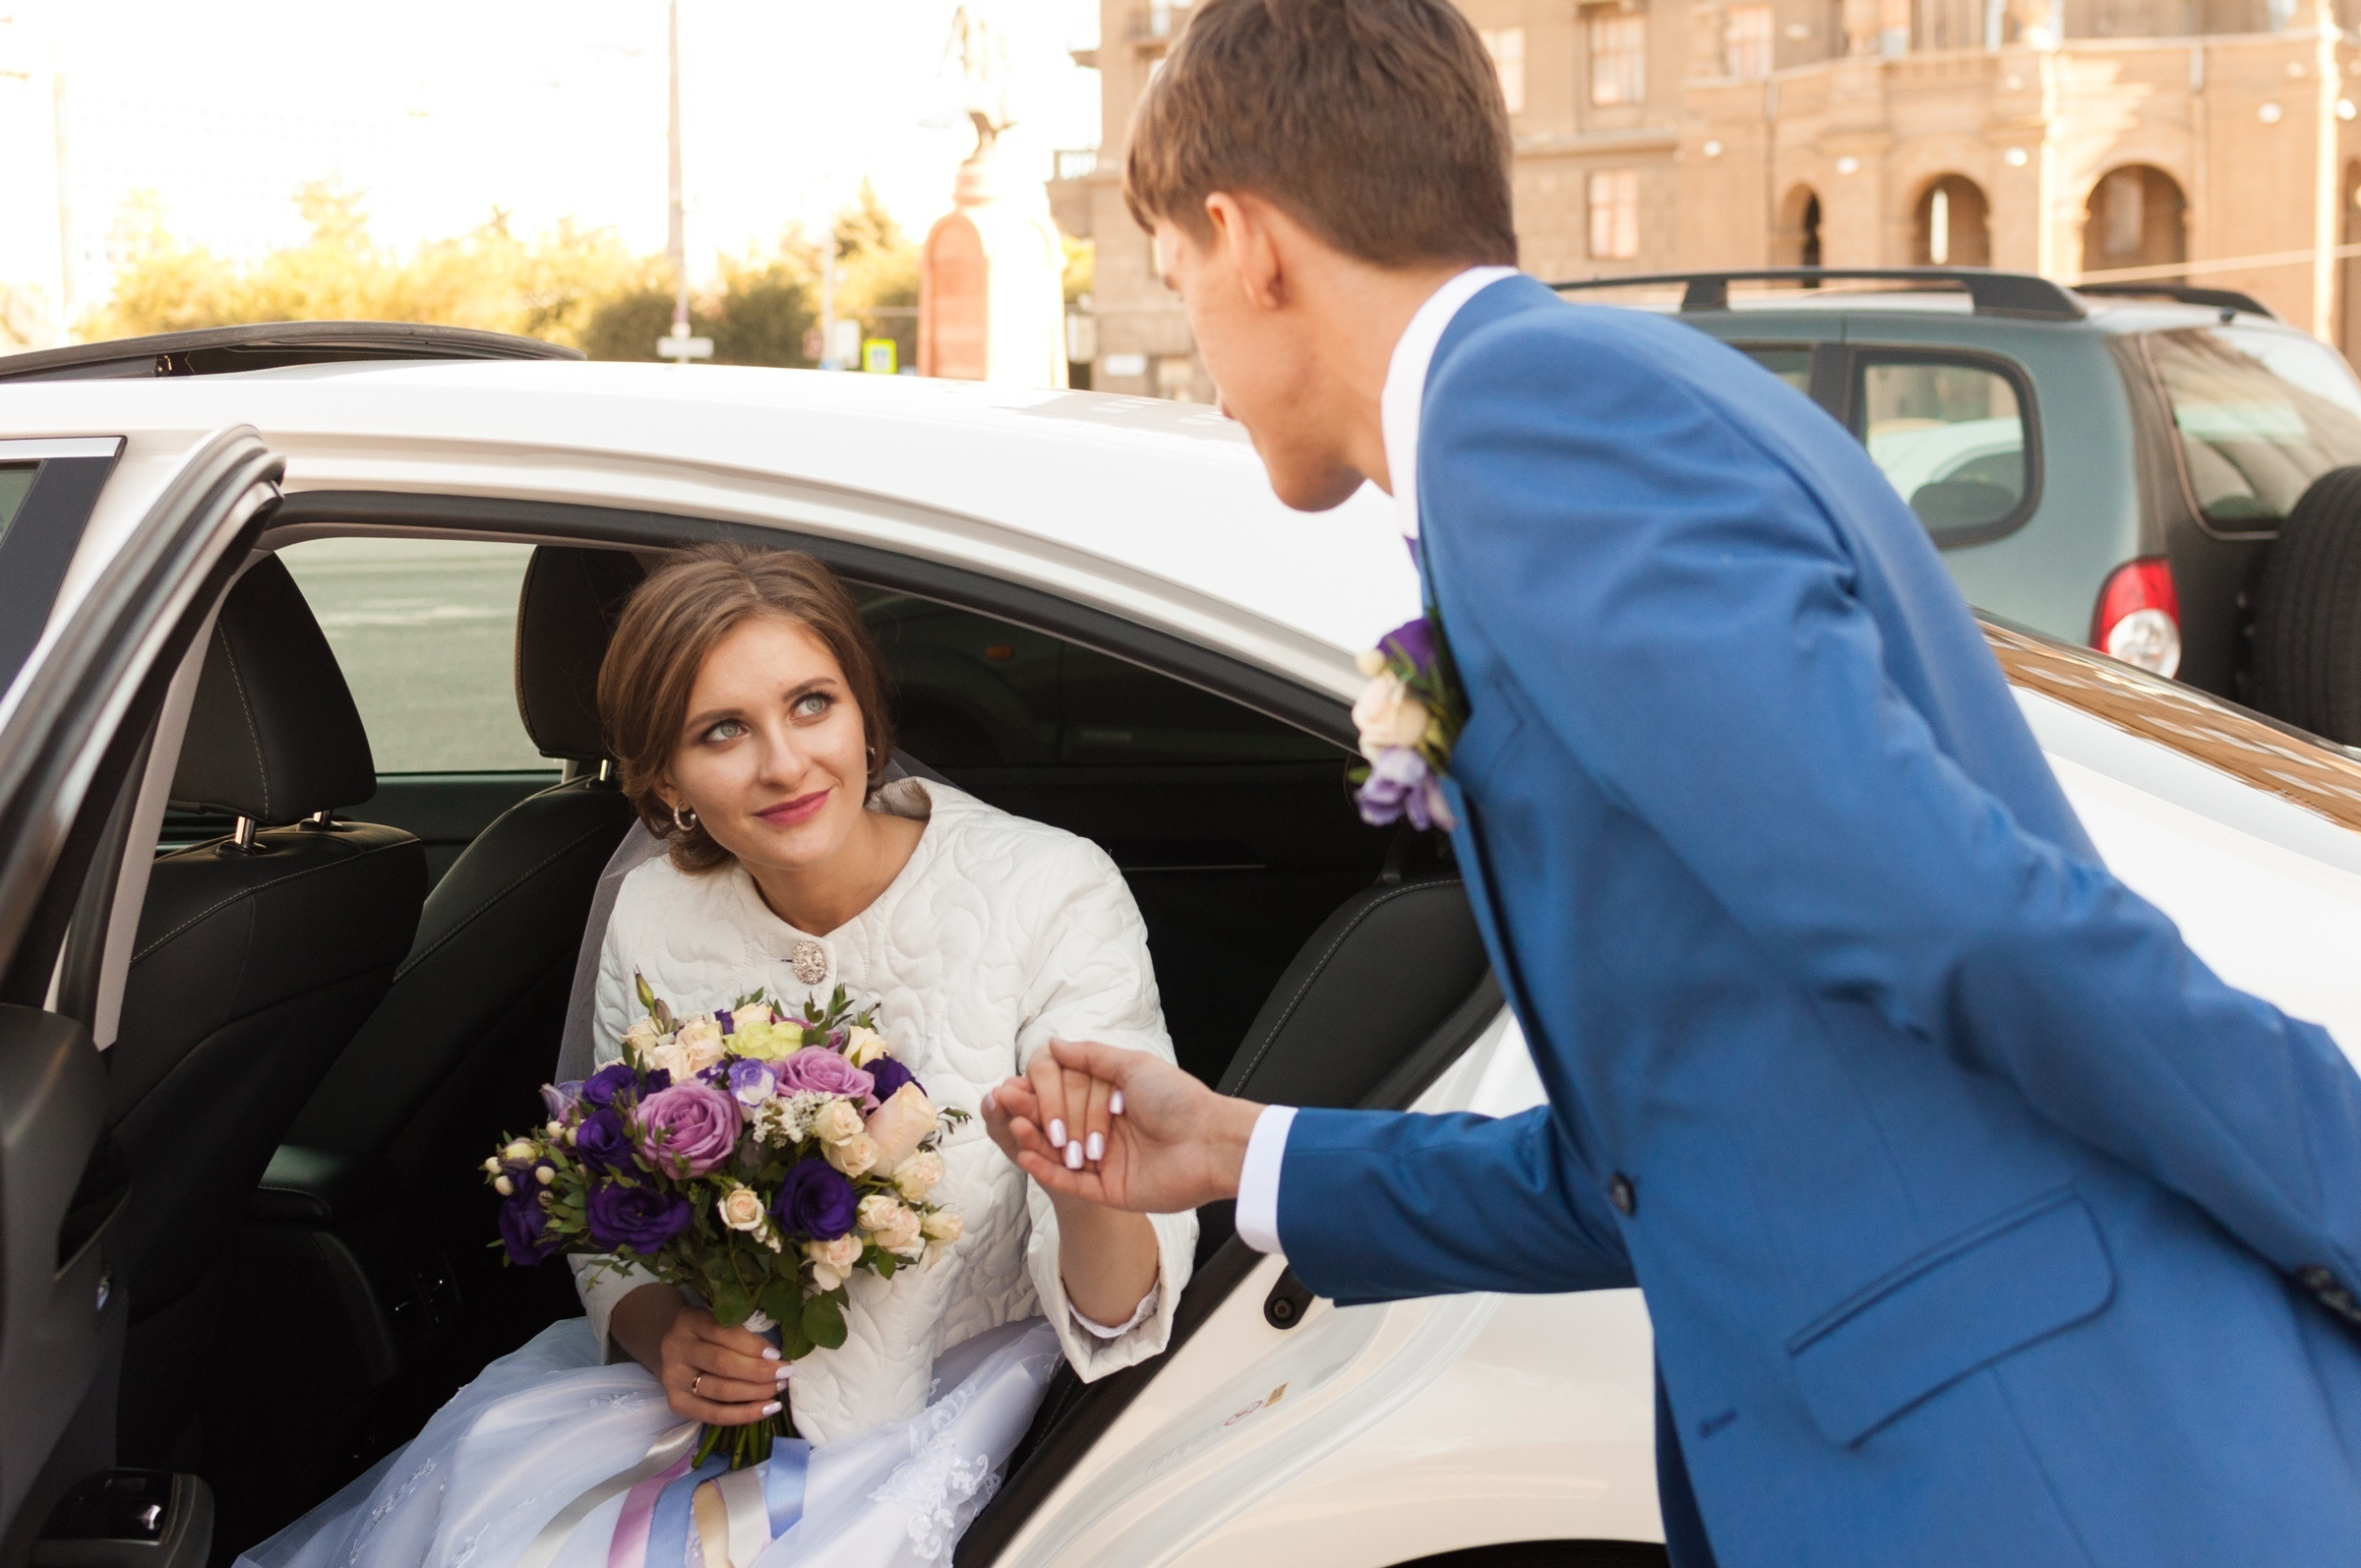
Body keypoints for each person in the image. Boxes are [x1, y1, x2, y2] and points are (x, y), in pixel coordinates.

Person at [992, 3, 2361, 1565]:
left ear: (1243, 240)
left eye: (1171, 280)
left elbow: (1956, 912)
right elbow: (1658, 1160)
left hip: (2041, 1472)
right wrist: (1240, 1150)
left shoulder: (1536, 425)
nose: (1199, 363)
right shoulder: (1575, 405)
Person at [239, 545, 1193, 1568]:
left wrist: (1088, 1183)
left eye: (814, 703)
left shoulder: (1051, 893)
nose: (785, 763)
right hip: (683, 1419)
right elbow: (604, 1203)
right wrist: (663, 1334)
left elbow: (1120, 1316)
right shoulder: (655, 908)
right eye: (723, 731)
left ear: (868, 713)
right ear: (664, 777)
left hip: (952, 1409)